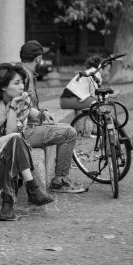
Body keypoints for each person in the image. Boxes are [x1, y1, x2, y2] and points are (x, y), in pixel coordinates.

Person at [0, 63, 54, 221]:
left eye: (22, 82)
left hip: (15, 147)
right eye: (16, 83)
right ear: (3, 86)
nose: (22, 87)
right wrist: (1, 138)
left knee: (13, 147)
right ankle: (32, 187)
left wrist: (14, 108)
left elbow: (15, 133)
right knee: (13, 141)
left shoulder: (23, 101)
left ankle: (7, 207)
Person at [19, 40, 86, 194]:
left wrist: (42, 112)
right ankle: (60, 181)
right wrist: (40, 115)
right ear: (37, 58)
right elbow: (22, 105)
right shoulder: (24, 75)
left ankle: (61, 179)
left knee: (65, 129)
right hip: (24, 132)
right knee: (69, 133)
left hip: (25, 127)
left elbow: (27, 105)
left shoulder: (23, 72)